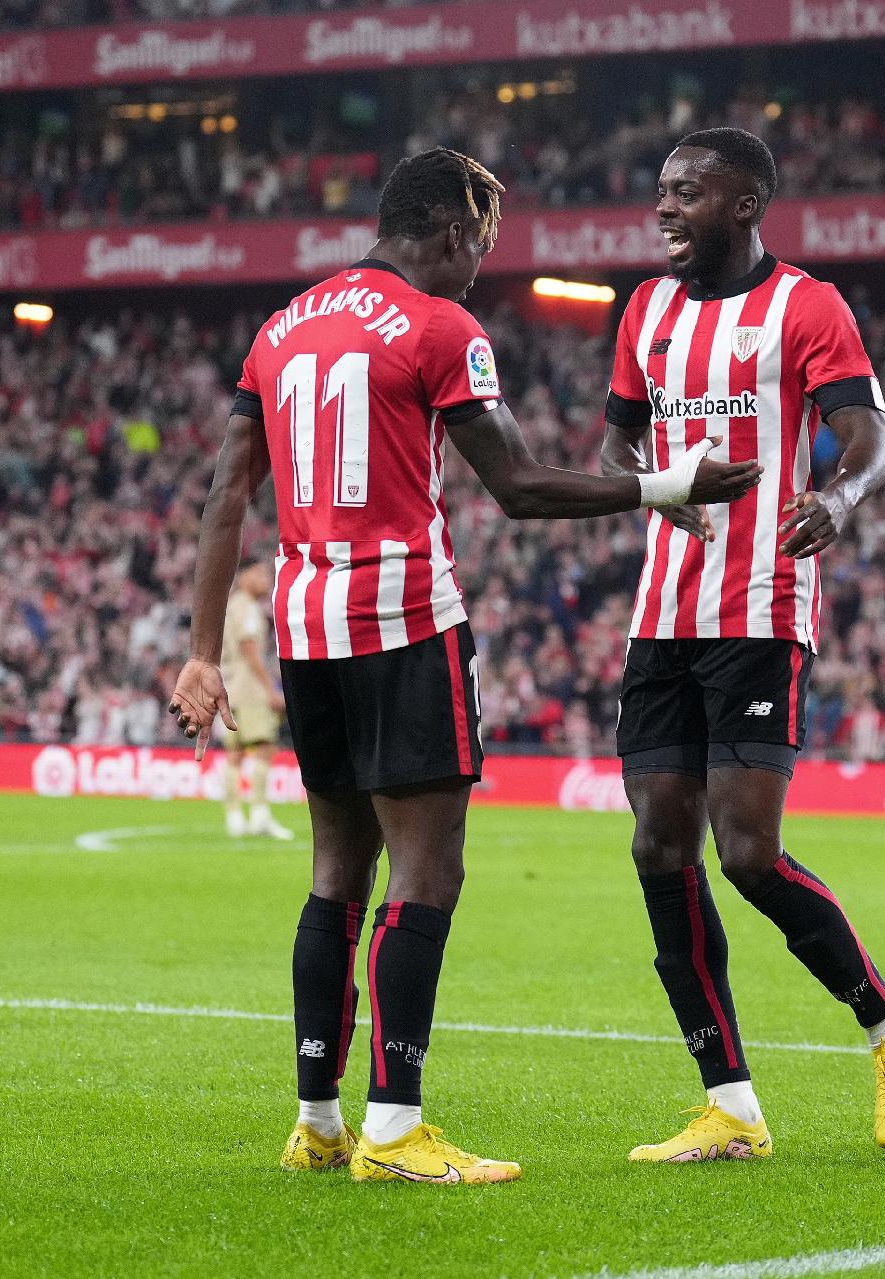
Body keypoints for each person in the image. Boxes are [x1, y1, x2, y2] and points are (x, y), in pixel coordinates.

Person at [166, 148, 761, 1185]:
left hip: (306, 624)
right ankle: (395, 1126)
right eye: (477, 250)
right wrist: (665, 484)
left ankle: (317, 1120)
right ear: (447, 234)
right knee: (428, 866)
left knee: (333, 870)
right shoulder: (442, 328)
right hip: (401, 616)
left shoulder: (282, 329)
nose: (477, 272)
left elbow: (225, 499)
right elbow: (521, 487)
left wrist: (201, 652)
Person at [598, 127, 885, 1162]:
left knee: (745, 852)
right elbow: (617, 436)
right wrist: (649, 479)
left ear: (744, 205)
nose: (664, 209)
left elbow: (869, 434)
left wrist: (838, 495)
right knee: (660, 844)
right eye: (659, 190)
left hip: (761, 606)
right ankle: (730, 1104)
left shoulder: (806, 305)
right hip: (664, 613)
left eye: (687, 193)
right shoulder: (645, 311)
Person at [218, 560, 294, 841]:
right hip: (249, 689)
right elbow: (250, 651)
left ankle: (234, 815)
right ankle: (260, 814)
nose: (266, 579)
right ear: (244, 577)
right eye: (260, 573)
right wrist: (272, 690)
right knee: (264, 747)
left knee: (235, 755)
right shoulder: (248, 609)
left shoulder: (232, 606)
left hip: (231, 687)